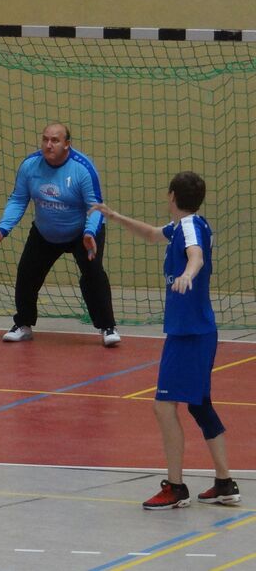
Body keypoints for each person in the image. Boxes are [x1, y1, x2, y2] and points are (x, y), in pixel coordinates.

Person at [92, 172, 241, 510]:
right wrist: (115, 216)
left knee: (163, 406)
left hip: (188, 334)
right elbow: (151, 234)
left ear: (171, 195)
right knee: (200, 405)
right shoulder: (188, 225)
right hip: (199, 331)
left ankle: (176, 487)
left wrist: (188, 274)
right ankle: (224, 482)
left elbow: (196, 255)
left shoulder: (189, 228)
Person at [0, 122, 121, 347]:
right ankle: (23, 325)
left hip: (82, 233)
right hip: (45, 232)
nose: (48, 144)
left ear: (67, 144)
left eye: (55, 140)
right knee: (26, 274)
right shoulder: (30, 166)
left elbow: (95, 208)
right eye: (45, 139)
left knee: (93, 274)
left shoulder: (82, 169)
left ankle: (107, 327)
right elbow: (18, 199)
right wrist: (3, 228)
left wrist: (89, 232)